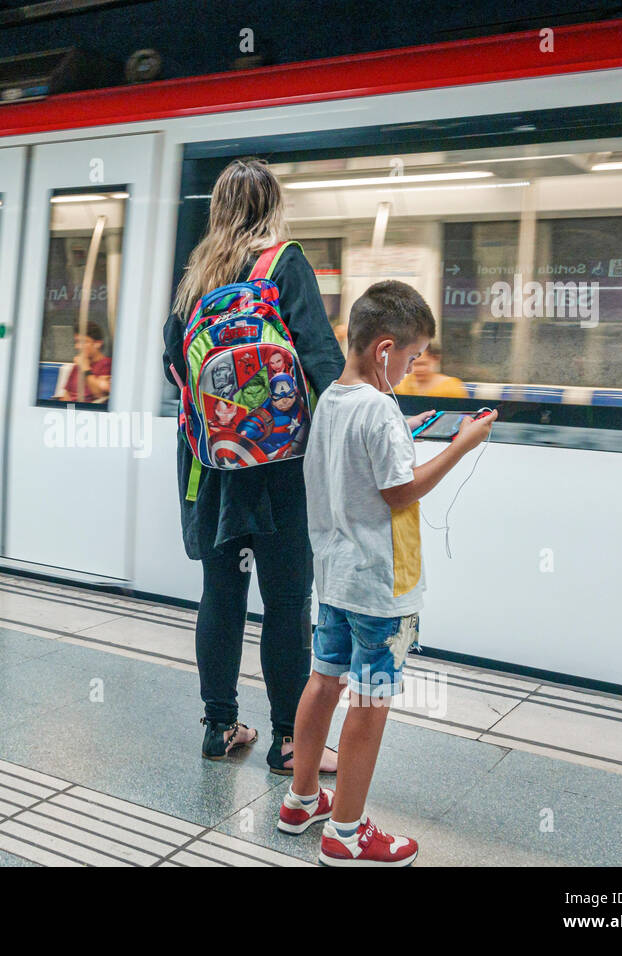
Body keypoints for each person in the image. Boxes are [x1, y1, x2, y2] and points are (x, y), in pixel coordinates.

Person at [276, 280, 496, 865]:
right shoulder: (379, 408)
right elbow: (401, 491)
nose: (410, 367)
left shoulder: (334, 399)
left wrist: (408, 430)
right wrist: (463, 444)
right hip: (380, 585)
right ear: (384, 349)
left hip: (336, 577)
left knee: (323, 681)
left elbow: (359, 462)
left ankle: (302, 800)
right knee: (371, 702)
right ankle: (346, 833)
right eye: (410, 356)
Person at [163, 157, 344, 775]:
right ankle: (289, 739)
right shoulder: (285, 264)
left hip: (213, 467)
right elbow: (324, 361)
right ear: (273, 207)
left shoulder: (196, 276)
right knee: (288, 599)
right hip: (280, 469)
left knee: (222, 591)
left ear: (218, 210)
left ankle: (219, 726)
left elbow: (172, 366)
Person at [59, 322, 111, 403]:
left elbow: (99, 394)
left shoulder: (107, 364)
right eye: (76, 342)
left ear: (97, 344)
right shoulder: (77, 366)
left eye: (83, 342)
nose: (77, 347)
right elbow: (67, 395)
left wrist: (85, 368)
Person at [396, 345, 467, 398]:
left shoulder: (452, 387)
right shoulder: (400, 385)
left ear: (435, 360)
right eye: (412, 364)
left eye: (422, 364)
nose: (417, 369)